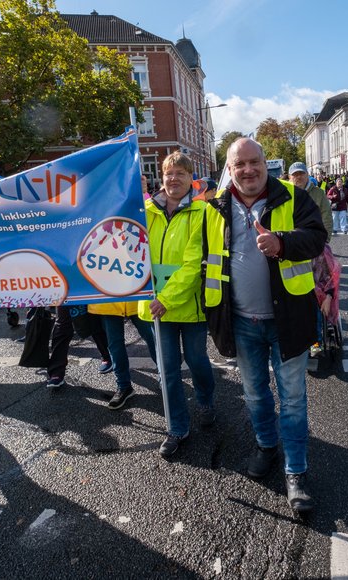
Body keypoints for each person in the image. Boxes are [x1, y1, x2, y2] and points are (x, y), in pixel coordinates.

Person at [202, 137, 326, 513]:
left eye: (254, 162)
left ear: (265, 164)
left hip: (286, 319)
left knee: (291, 399)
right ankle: (266, 446)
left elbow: (318, 238)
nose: (248, 170)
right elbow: (203, 257)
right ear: (230, 169)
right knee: (255, 395)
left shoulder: (292, 196)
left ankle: (295, 470)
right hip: (240, 320)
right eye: (239, 165)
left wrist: (283, 243)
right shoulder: (215, 207)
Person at [139, 151, 216, 458]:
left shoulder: (201, 213)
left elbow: (193, 264)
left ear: (190, 179)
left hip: (188, 306)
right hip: (156, 308)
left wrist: (166, 299)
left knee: (197, 360)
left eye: (180, 174)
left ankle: (207, 398)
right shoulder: (142, 211)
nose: (173, 179)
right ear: (162, 176)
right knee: (168, 370)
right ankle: (177, 428)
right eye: (169, 173)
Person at [46, 305, 113, 388]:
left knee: (93, 318)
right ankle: (56, 371)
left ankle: (107, 356)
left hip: (87, 293)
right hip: (63, 294)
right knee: (62, 325)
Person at [289, 161, 332, 244]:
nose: (299, 176)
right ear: (289, 177)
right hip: (291, 240)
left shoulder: (319, 193)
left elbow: (326, 216)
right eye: (295, 174)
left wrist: (326, 239)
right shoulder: (284, 193)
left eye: (301, 173)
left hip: (314, 240)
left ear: (307, 175)